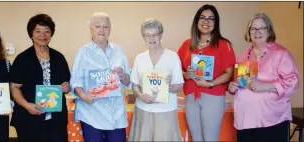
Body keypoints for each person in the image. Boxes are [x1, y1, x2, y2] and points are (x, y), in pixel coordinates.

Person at [228, 13, 300, 142]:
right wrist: (232, 87)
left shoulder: (281, 53)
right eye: (253, 28)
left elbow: (293, 82)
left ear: (269, 30)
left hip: (272, 121)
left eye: (262, 28)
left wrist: (266, 86)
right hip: (244, 120)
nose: (257, 32)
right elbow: (240, 83)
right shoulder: (242, 55)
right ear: (248, 31)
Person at [177, 4, 236, 141]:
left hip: (213, 96)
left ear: (216, 23)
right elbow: (175, 69)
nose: (206, 22)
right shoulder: (187, 44)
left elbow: (229, 73)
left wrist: (210, 83)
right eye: (202, 18)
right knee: (197, 139)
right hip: (191, 97)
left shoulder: (223, 44)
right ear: (196, 21)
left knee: (210, 139)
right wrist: (186, 74)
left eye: (211, 19)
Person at [70, 12, 131, 142]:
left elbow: (128, 81)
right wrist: (83, 95)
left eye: (105, 26)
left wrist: (123, 75)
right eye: (97, 26)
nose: (101, 30)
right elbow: (75, 81)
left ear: (110, 29)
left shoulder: (119, 50)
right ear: (91, 29)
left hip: (116, 113)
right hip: (91, 112)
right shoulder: (83, 52)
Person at [9, 13, 70, 142]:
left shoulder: (59, 57)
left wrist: (67, 87)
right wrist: (26, 105)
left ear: (51, 34)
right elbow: (14, 87)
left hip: (56, 119)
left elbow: (66, 84)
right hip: (29, 118)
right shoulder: (22, 59)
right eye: (38, 31)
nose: (42, 35)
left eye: (47, 31)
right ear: (31, 34)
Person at [128, 18, 184, 141]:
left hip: (166, 110)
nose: (151, 38)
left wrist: (168, 86)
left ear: (161, 35)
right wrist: (140, 95)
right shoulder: (139, 58)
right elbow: (135, 84)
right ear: (143, 37)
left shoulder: (172, 57)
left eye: (155, 35)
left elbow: (179, 86)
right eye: (147, 35)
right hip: (143, 109)